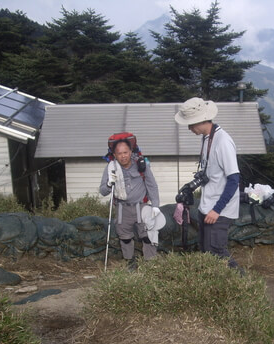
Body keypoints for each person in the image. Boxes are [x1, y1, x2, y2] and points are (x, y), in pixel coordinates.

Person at [174, 97, 241, 270]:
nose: (189, 129)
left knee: (217, 252)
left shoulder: (223, 141)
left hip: (219, 209)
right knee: (206, 251)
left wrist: (217, 210)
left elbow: (234, 180)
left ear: (199, 120)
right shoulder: (206, 138)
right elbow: (208, 173)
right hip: (207, 205)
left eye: (190, 124)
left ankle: (242, 284)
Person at [99, 138, 162, 269]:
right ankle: (130, 262)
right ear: (114, 154)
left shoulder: (141, 165)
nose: (123, 156)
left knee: (148, 235)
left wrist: (155, 205)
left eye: (125, 152)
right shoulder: (111, 167)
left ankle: (151, 264)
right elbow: (103, 191)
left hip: (142, 206)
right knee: (125, 237)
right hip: (123, 208)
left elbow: (152, 185)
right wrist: (109, 183)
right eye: (119, 153)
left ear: (131, 151)